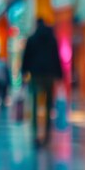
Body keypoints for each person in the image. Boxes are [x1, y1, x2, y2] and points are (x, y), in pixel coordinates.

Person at [21, 18, 63, 147]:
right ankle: (47, 134)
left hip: (36, 75)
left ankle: (35, 133)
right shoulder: (52, 39)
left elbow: (26, 58)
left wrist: (24, 73)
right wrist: (59, 75)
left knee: (34, 104)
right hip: (49, 76)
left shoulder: (32, 39)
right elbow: (56, 57)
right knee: (49, 105)